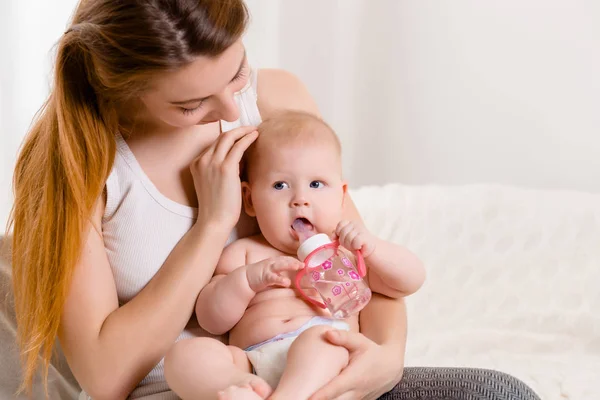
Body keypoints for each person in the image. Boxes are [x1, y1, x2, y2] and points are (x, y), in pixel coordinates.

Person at [7, 1, 542, 400]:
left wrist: (385, 359)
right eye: (192, 103)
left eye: (236, 72)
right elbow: (106, 376)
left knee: (496, 392)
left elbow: (357, 263)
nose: (228, 111)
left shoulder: (275, 99)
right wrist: (212, 225)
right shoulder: (76, 169)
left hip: (324, 372)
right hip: (198, 389)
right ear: (123, 88)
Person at [167, 111, 426, 400]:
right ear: (250, 200)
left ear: (341, 196)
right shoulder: (244, 254)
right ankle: (242, 390)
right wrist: (248, 282)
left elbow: (410, 280)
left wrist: (374, 248)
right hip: (252, 363)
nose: (300, 199)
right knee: (185, 355)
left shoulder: (347, 253)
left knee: (325, 341)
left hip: (324, 361)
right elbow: (210, 319)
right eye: (280, 185)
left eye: (316, 184)